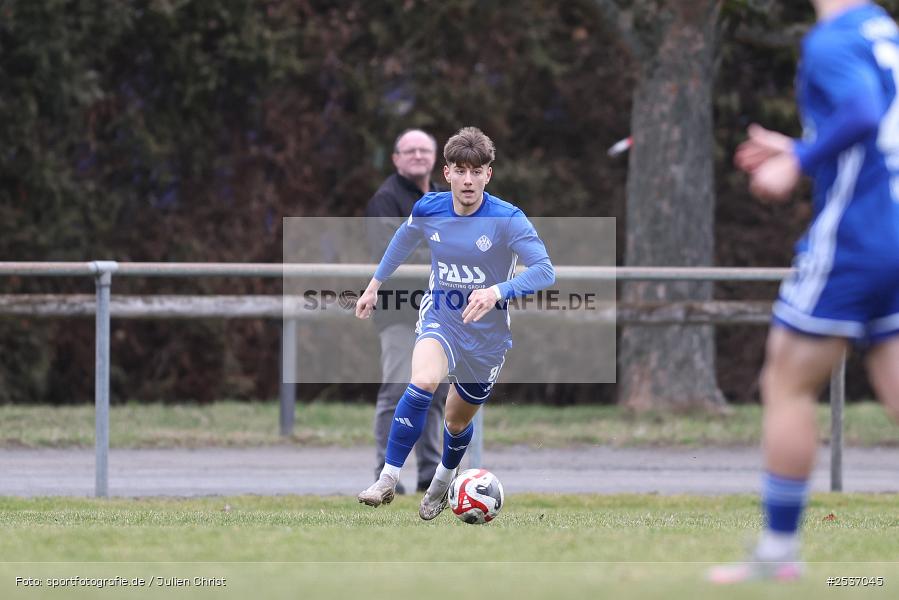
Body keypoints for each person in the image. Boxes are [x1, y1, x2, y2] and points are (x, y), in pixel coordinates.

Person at [711, 0, 899, 583]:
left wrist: (799, 160)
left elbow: (864, 113)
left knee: (786, 383)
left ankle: (776, 554)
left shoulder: (832, 40)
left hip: (857, 240)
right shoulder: (883, 30)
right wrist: (801, 146)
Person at [355, 127, 555, 519]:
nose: (467, 180)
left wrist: (497, 291)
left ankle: (444, 480)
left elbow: (545, 272)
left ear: (487, 175)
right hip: (441, 318)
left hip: (487, 340)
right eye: (460, 170)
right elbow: (402, 239)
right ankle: (387, 478)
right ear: (446, 173)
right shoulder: (430, 208)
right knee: (422, 383)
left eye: (475, 171)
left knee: (456, 421)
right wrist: (374, 285)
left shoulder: (508, 219)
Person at [365, 129, 449, 495]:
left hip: (440, 310)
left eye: (424, 150)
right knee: (399, 388)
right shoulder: (385, 200)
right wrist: (445, 253)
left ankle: (431, 474)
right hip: (401, 311)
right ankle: (387, 475)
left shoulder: (440, 198)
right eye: (409, 150)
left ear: (436, 160)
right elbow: (393, 253)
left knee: (437, 391)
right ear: (396, 159)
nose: (417, 155)